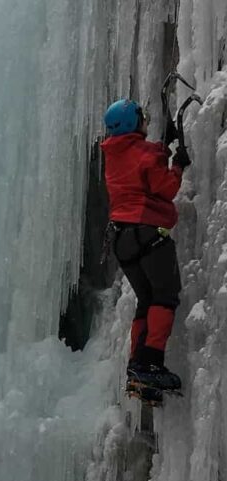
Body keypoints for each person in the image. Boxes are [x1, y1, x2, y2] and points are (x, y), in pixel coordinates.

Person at [101, 98, 191, 390]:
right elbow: (165, 187)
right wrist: (177, 164)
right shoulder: (143, 154)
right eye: (141, 117)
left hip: (122, 240)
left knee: (146, 300)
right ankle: (152, 362)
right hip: (148, 234)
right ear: (133, 122)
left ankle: (136, 366)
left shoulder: (114, 154)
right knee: (165, 296)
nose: (145, 121)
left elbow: (142, 163)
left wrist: (163, 148)